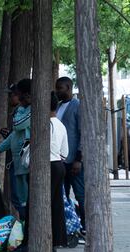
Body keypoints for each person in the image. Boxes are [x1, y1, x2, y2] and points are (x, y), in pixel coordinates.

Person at [0, 79, 31, 220]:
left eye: (14, 94)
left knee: (22, 200)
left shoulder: (26, 110)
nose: (11, 98)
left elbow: (18, 125)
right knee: (18, 198)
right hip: (17, 162)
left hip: (25, 162)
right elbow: (15, 135)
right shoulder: (21, 110)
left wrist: (20, 109)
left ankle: (26, 229)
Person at [55, 76, 85, 231]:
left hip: (74, 160)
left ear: (68, 87)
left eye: (59, 88)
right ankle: (67, 227)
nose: (57, 91)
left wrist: (79, 159)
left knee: (80, 194)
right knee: (63, 195)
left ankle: (86, 226)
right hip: (61, 161)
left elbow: (82, 133)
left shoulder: (77, 106)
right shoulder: (59, 106)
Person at [50, 91, 69, 252]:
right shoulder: (60, 125)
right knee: (56, 204)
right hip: (58, 165)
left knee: (44, 202)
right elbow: (65, 153)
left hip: (48, 165)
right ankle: (57, 241)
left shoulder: (44, 124)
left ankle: (48, 239)